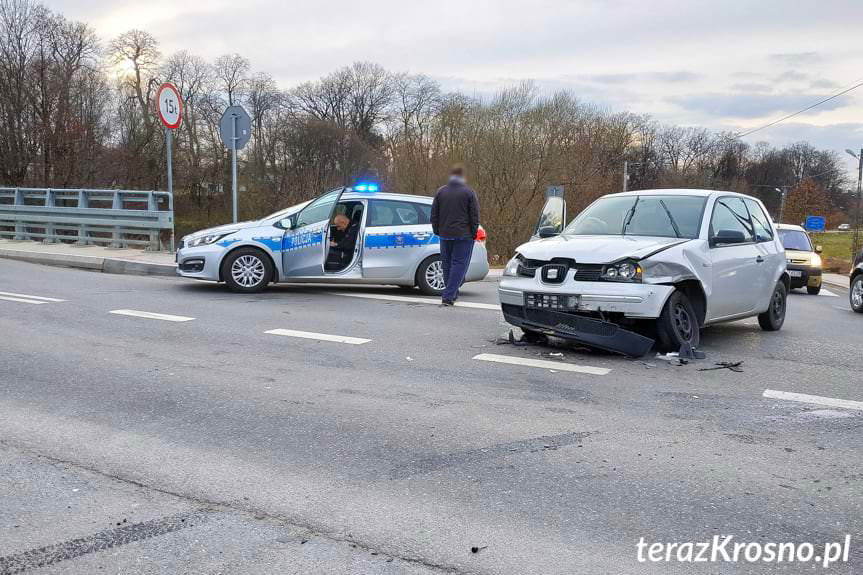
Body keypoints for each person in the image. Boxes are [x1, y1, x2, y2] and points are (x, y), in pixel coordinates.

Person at [431, 164, 480, 305]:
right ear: (462, 176)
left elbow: (434, 214)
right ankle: (448, 295)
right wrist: (473, 233)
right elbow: (474, 216)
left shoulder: (441, 192)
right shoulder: (468, 192)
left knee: (447, 264)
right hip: (463, 235)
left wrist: (437, 230)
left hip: (445, 234)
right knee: (459, 264)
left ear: (451, 176)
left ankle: (452, 293)